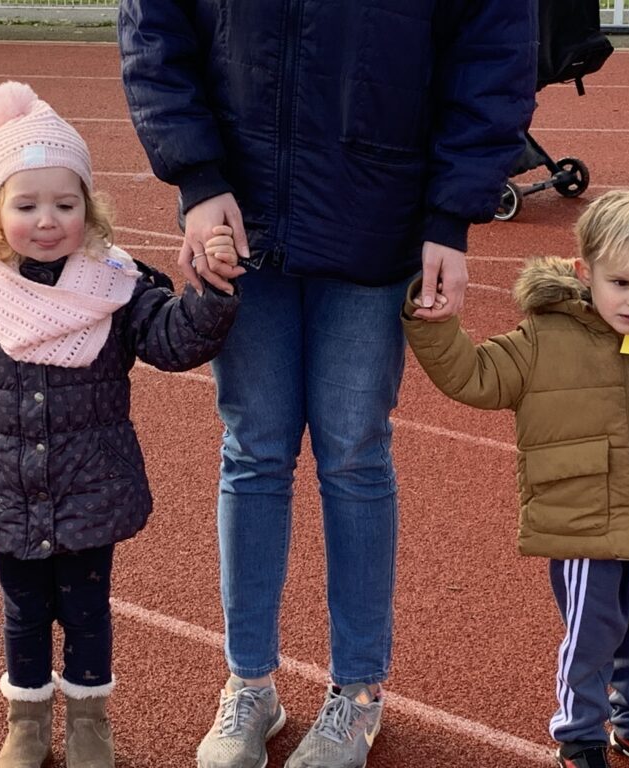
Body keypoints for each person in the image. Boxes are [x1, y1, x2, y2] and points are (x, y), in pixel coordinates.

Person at [118, 3, 537, 767]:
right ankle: (251, 684)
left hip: (377, 213)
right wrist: (198, 177)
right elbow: (156, 24)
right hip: (241, 211)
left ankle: (359, 692)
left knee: (354, 456)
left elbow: (494, 45)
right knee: (254, 450)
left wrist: (451, 215)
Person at [0, 81, 240, 768]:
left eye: (66, 203)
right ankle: (26, 724)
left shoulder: (116, 287)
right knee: (23, 615)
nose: (47, 220)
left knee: (87, 613)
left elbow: (172, 341)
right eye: (26, 205)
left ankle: (90, 723)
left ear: (90, 209)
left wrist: (209, 292)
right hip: (9, 493)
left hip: (90, 491)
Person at [403, 190, 629, 768]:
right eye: (620, 283)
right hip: (588, 528)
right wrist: (435, 325)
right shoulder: (544, 338)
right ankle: (579, 734)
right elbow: (474, 376)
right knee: (592, 641)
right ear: (584, 273)